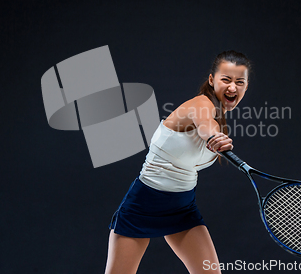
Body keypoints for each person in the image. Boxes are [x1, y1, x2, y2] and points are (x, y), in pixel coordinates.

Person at [104, 51, 252, 274]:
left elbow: (210, 124)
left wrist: (216, 133)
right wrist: (214, 137)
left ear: (246, 86)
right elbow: (205, 125)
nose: (233, 87)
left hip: (183, 208)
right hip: (144, 204)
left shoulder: (219, 114)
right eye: (226, 80)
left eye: (239, 82)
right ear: (212, 80)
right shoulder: (200, 104)